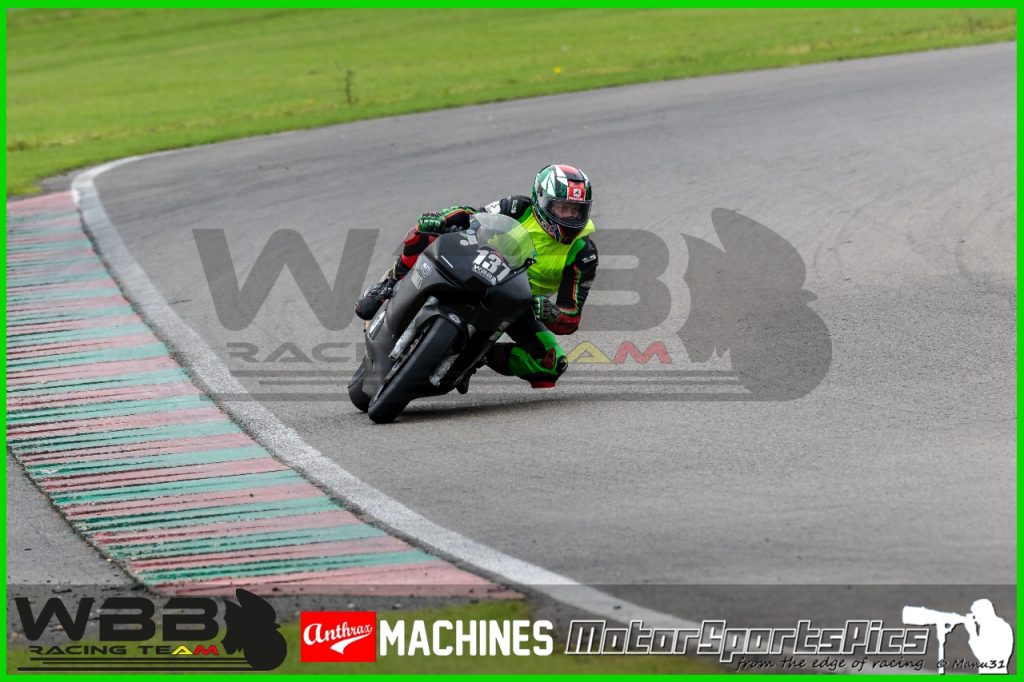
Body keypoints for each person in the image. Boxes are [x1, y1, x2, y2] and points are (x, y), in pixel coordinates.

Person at [354, 164, 598, 388]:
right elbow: (473, 216)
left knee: (552, 363)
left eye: (576, 210)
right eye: (562, 208)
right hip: (478, 263)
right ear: (542, 201)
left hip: (519, 302)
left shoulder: (583, 253)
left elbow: (571, 316)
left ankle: (480, 355)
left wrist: (551, 312)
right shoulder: (517, 207)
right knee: (426, 230)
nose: (569, 217)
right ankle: (388, 284)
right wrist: (442, 217)